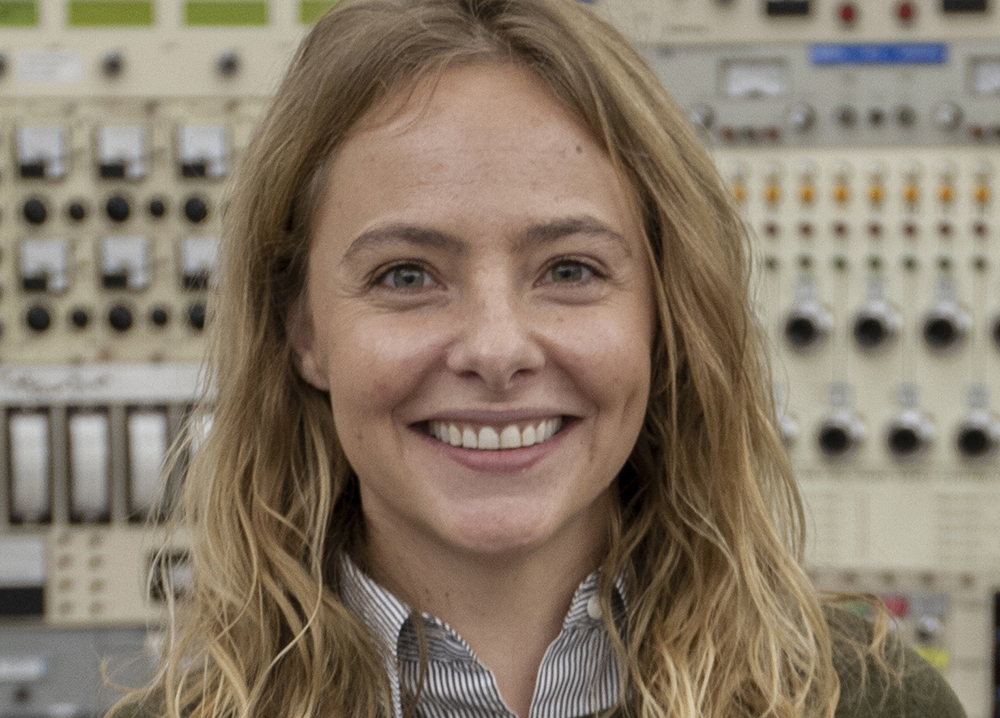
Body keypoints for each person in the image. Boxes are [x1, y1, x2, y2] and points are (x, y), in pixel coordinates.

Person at [119, 1, 967, 718]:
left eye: (570, 270)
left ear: (664, 314)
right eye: (406, 275)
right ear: (302, 331)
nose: (497, 350)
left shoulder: (864, 697)